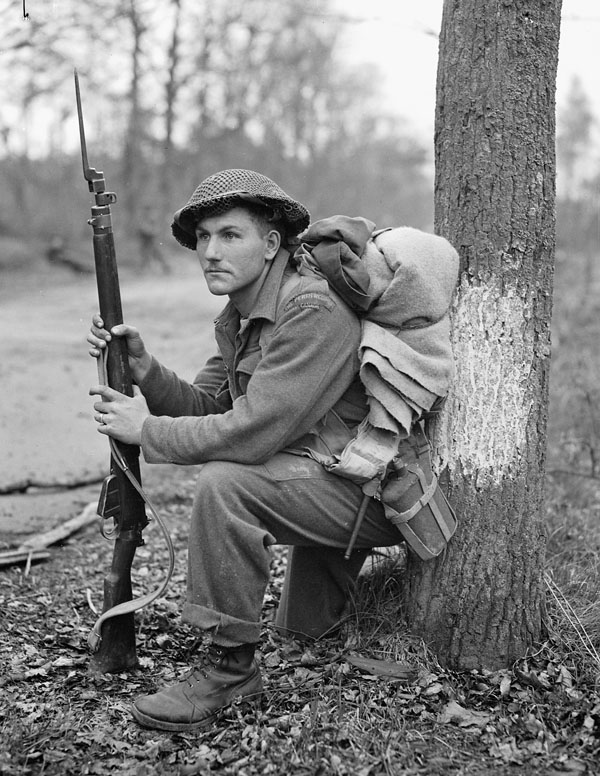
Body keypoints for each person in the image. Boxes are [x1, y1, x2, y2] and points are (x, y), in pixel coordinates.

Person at [87, 169, 407, 732]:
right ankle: (356, 610)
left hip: (377, 493)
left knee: (225, 483)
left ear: (271, 243)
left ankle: (230, 670)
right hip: (324, 476)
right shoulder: (239, 312)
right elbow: (212, 406)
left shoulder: (311, 308)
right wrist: (146, 371)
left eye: (230, 235)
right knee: (304, 636)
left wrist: (148, 432)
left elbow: (253, 433)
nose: (210, 251)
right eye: (204, 238)